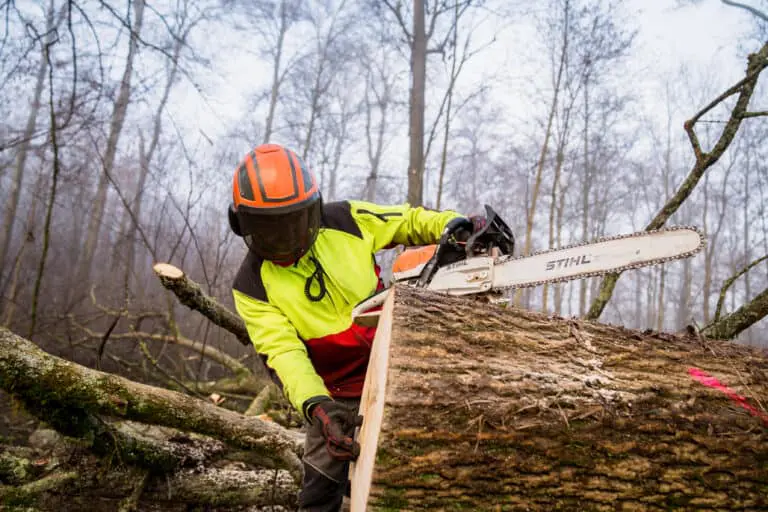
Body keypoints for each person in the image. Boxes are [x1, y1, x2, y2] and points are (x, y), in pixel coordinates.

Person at [228, 143, 483, 511]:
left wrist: (452, 224)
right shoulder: (251, 285)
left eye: (293, 223)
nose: (285, 238)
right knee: (319, 488)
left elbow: (404, 220)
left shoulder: (345, 219)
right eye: (271, 229)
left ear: (311, 210)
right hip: (334, 391)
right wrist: (318, 407)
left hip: (399, 358)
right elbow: (284, 353)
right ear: (246, 226)